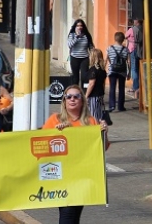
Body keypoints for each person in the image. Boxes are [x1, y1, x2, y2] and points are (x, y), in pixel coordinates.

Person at [42, 84, 108, 224]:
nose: (72, 99)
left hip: (81, 177)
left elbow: (102, 147)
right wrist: (56, 132)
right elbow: (42, 144)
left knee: (71, 216)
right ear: (64, 101)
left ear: (82, 100)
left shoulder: (90, 122)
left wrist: (104, 132)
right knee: (68, 216)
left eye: (76, 96)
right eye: (69, 97)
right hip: (60, 176)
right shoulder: (55, 119)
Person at [106, 32, 129, 112]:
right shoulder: (125, 49)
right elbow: (126, 60)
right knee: (121, 88)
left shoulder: (109, 48)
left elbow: (107, 58)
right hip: (122, 71)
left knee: (112, 88)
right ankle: (121, 106)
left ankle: (112, 106)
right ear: (123, 40)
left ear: (114, 38)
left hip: (112, 70)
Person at [67, 19, 94, 89]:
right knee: (75, 77)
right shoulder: (72, 35)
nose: (80, 27)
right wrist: (77, 37)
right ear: (75, 27)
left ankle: (84, 92)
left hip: (84, 58)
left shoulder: (86, 35)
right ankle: (75, 91)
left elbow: (91, 46)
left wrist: (93, 54)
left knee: (85, 77)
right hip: (74, 57)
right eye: (78, 25)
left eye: (81, 25)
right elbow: (70, 45)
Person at [84, 49, 107, 122]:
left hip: (93, 95)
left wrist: (86, 96)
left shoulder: (93, 70)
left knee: (93, 116)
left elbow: (91, 84)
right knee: (99, 115)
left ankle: (94, 131)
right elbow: (103, 83)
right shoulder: (103, 70)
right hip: (100, 94)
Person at [124, 19, 142, 98]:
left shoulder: (132, 29)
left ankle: (135, 86)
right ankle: (138, 85)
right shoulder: (142, 28)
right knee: (139, 68)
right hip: (140, 49)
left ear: (137, 21)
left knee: (134, 68)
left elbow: (125, 36)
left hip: (132, 49)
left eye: (135, 20)